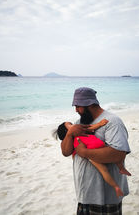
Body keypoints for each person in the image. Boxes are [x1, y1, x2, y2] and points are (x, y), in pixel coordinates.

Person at [61, 87, 131, 215]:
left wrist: (84, 153)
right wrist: (69, 133)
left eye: (78, 106)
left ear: (89, 104)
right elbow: (66, 152)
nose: (76, 110)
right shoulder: (79, 123)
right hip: (85, 194)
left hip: (106, 197)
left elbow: (118, 154)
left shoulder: (113, 122)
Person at [54, 119, 131, 197]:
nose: (73, 125)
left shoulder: (77, 135)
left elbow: (90, 128)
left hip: (93, 151)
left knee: (104, 170)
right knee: (105, 168)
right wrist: (100, 124)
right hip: (96, 147)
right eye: (70, 125)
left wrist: (100, 124)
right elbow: (91, 128)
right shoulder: (73, 137)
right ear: (66, 131)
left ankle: (116, 184)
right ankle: (119, 177)